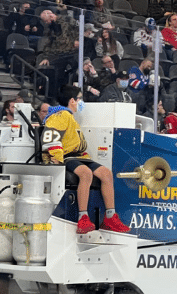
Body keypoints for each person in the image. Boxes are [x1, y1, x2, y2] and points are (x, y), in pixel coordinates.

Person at [41, 85, 129, 234]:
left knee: (106, 173)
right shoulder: (60, 116)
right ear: (72, 101)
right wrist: (56, 159)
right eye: (80, 99)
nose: (81, 102)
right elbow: (51, 138)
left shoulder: (70, 117)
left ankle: (110, 217)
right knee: (86, 173)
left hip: (79, 156)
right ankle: (83, 218)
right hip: (66, 157)